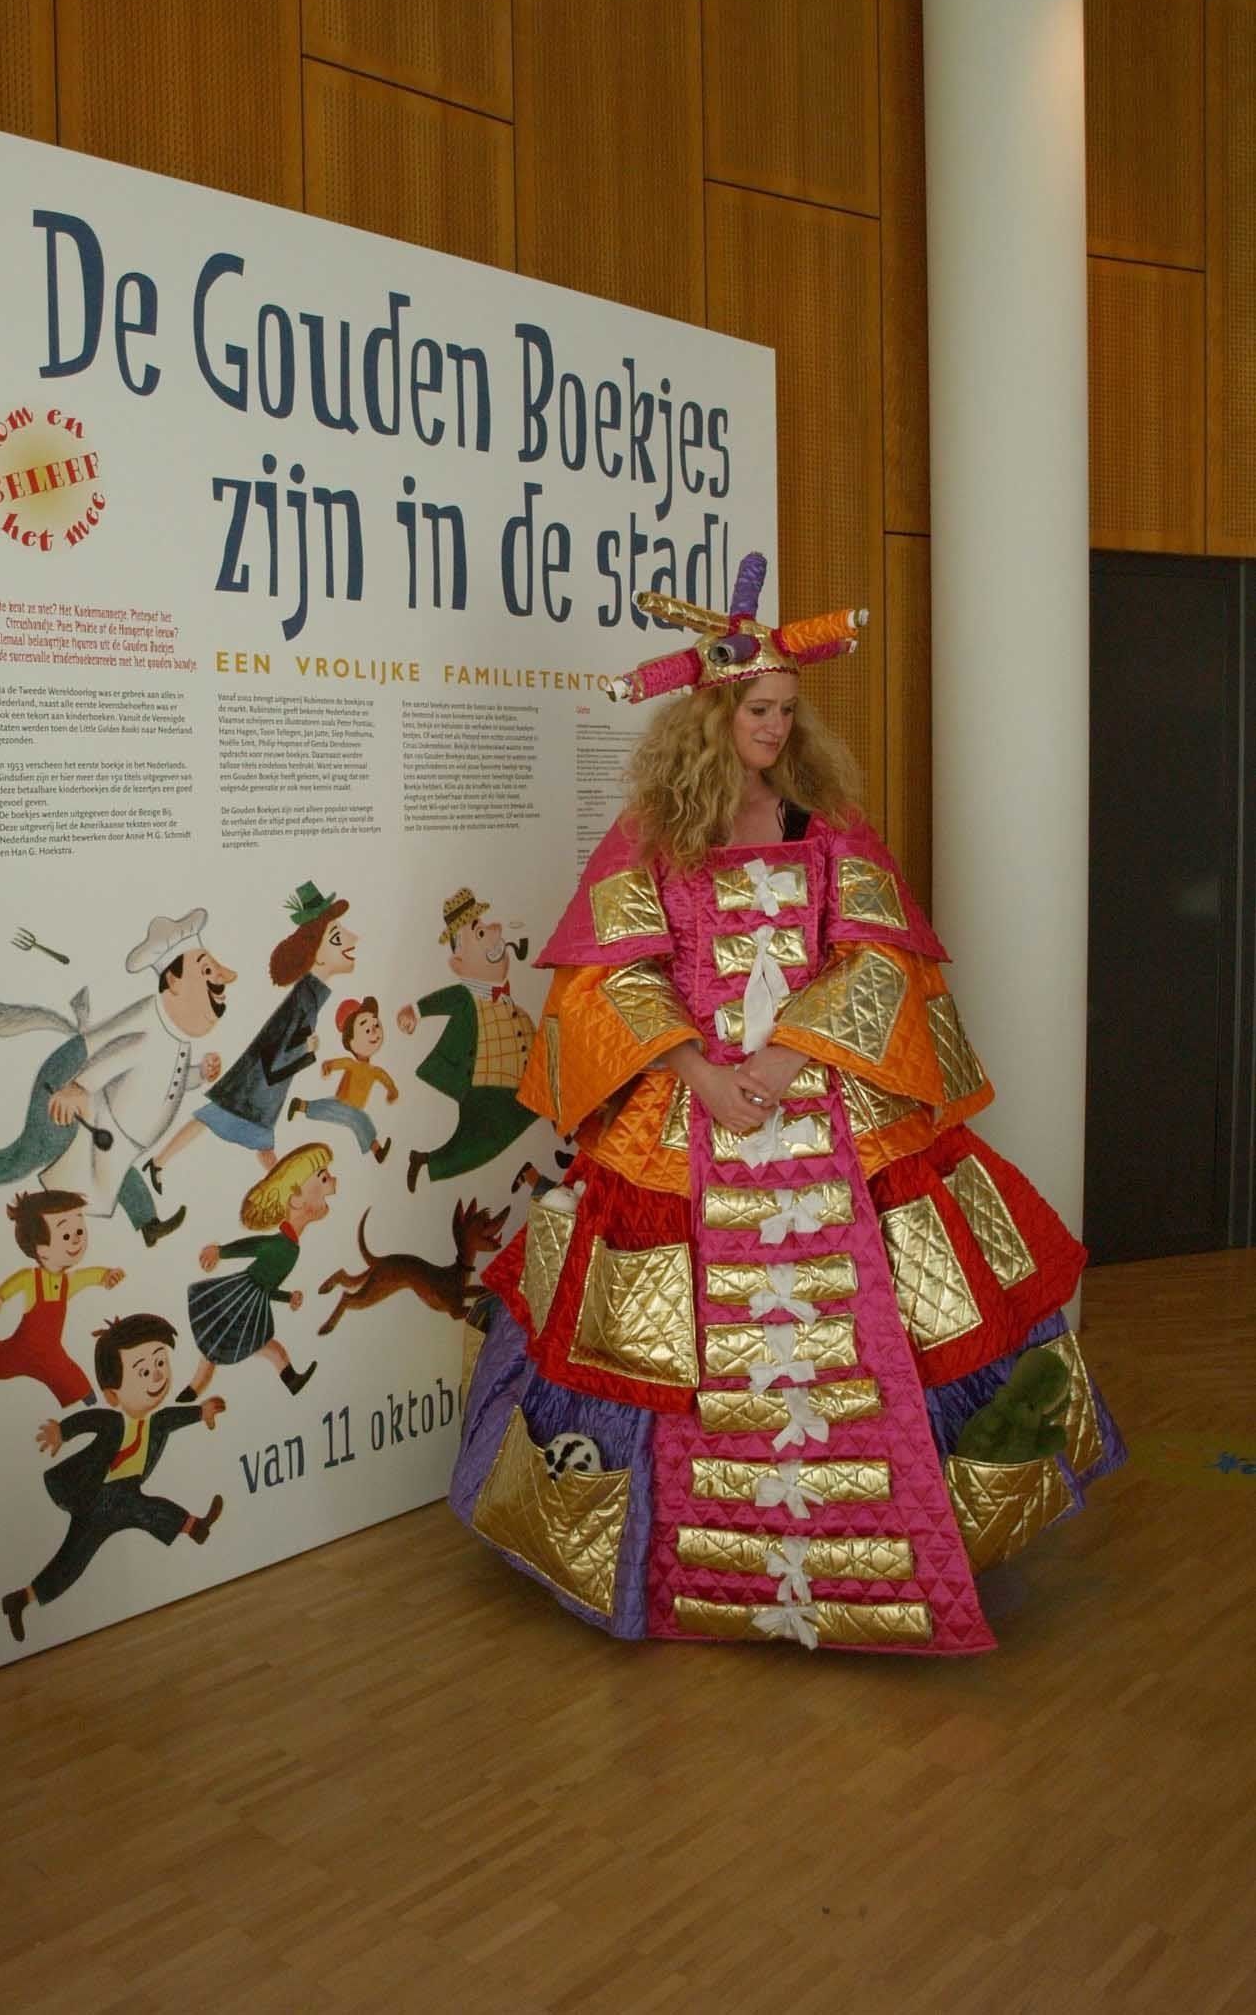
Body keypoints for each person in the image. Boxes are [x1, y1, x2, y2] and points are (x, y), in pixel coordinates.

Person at [451, 555, 1123, 1656]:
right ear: (711, 714)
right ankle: (686, 1568)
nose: (774, 726)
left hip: (823, 1096)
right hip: (689, 1106)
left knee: (903, 1311)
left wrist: (783, 1055)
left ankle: (885, 1548)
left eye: (784, 709)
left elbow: (875, 954)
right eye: (757, 708)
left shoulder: (825, 820)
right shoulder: (652, 831)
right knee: (653, 1334)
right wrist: (701, 1071)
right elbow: (612, 974)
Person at [0, 909, 234, 1244]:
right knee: (39, 1148)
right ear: (174, 981)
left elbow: (165, 1079)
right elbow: (116, 1056)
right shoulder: (152, 1028)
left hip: (107, 1113)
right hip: (73, 1072)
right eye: (205, 970)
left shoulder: (174, 1032)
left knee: (113, 1167)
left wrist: (199, 1074)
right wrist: (76, 1088)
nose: (221, 979)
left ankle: (149, 1224)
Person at [1, 1313, 224, 1642]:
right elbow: (88, 1420)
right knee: (74, 1560)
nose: (157, 1375)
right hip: (97, 1499)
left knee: (144, 1510)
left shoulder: (157, 1421)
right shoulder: (113, 1422)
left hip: (126, 1491)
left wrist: (201, 1412)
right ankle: (22, 1599)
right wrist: (62, 1431)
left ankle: (193, 1525)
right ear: (112, 1394)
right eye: (143, 1371)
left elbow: (175, 1417)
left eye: (160, 1362)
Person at [150, 884, 358, 1177]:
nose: (353, 938)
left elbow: (284, 1043)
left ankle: (159, 1163)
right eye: (337, 937)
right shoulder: (306, 997)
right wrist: (307, 1050)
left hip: (263, 1089)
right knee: (214, 1119)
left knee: (250, 1139)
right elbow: (277, 1051)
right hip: (254, 1087)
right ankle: (158, 1163)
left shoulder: (310, 994)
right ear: (318, 955)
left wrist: (303, 1047)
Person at [398, 888, 536, 1191]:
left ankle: (427, 1161)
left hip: (518, 1082)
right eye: (480, 932)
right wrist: (415, 1011)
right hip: (486, 1085)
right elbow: (445, 999)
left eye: (485, 926)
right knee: (481, 1143)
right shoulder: (467, 997)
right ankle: (428, 1162)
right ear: (459, 964)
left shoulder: (506, 1000)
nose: (495, 931)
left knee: (525, 1116)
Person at [178, 1144, 337, 1400]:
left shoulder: (291, 1247)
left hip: (253, 1299)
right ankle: (193, 1390)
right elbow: (251, 1246)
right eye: (324, 1179)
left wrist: (288, 1297)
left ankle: (193, 1390)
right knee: (232, 1343)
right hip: (242, 1297)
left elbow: (268, 1286)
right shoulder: (282, 1245)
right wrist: (221, 1251)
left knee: (231, 1343)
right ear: (296, 1200)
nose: (333, 1184)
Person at [0, 1189, 123, 1408]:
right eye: (66, 1236)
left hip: (51, 1355)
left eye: (79, 1230)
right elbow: (8, 1288)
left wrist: (107, 1275)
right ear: (40, 1248)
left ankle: (92, 1407)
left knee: (77, 1384)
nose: (77, 1239)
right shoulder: (31, 1278)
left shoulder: (67, 1282)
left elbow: (89, 1276)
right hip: (23, 1350)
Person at [290, 996, 397, 1162]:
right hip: (344, 1103)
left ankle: (300, 1105)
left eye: (376, 1025)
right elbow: (336, 1063)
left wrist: (392, 1090)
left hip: (350, 1107)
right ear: (351, 1042)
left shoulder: (374, 1071)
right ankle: (377, 1151)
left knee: (333, 1110)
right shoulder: (351, 1063)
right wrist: (328, 1066)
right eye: (366, 1030)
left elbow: (386, 1079)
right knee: (359, 1119)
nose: (374, 1032)